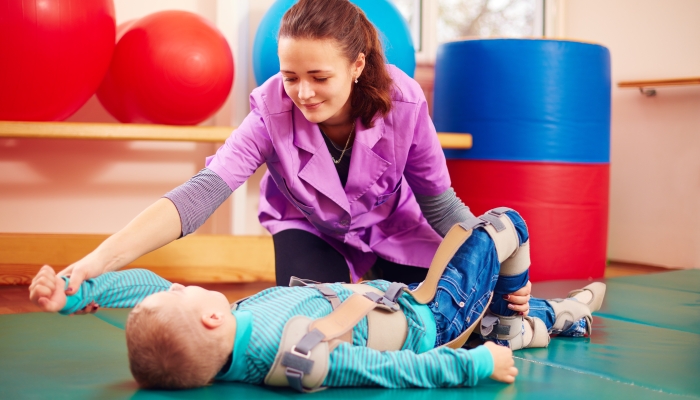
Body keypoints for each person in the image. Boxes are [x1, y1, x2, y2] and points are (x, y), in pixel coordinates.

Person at [54, 0, 529, 301]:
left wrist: (504, 274)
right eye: (290, 76)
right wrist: (97, 261)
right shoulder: (268, 111)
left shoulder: (404, 103)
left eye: (319, 77)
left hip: (394, 227)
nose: (302, 93)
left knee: (454, 307)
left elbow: (441, 206)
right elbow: (202, 195)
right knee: (312, 317)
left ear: (358, 64)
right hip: (309, 230)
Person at [29, 208, 606, 391]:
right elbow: (391, 371)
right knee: (507, 222)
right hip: (431, 315)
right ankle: (507, 324)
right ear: (208, 316)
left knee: (531, 323)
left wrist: (86, 287)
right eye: (185, 292)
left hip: (400, 299)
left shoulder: (223, 341)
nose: (175, 285)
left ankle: (543, 322)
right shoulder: (299, 354)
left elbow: (152, 294)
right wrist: (474, 365)